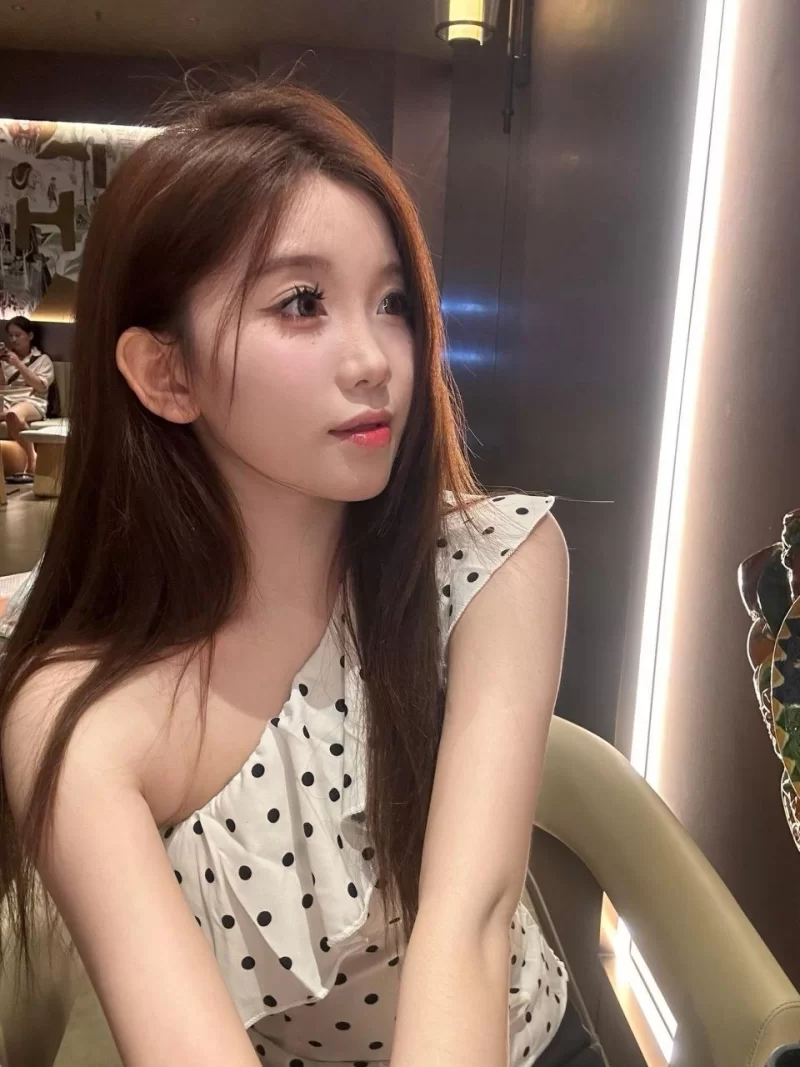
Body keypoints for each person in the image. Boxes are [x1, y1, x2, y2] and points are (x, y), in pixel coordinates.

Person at [0, 83, 570, 1067]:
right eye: (302, 303)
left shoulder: (489, 563)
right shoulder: (77, 710)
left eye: (392, 302)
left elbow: (470, 927)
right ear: (166, 374)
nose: (375, 359)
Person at [0, 315, 55, 484]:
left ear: (30, 336)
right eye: (10, 335)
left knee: (13, 415)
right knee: (10, 412)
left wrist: (19, 364)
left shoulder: (42, 359)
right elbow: (2, 385)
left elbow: (40, 386)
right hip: (6, 399)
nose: (13, 339)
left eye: (18, 335)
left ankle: (32, 457)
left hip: (32, 401)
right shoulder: (6, 359)